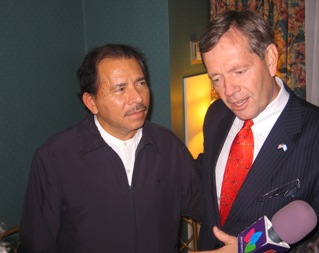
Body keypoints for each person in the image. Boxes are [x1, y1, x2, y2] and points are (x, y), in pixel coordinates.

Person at [19, 44, 203, 253]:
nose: (138, 98)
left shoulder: (168, 145)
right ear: (91, 102)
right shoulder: (54, 158)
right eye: (121, 89)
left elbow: (204, 205)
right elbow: (38, 243)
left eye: (141, 83)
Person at [193, 10, 319, 253]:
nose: (228, 91)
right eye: (216, 78)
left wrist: (251, 248)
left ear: (270, 59)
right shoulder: (215, 114)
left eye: (238, 71)